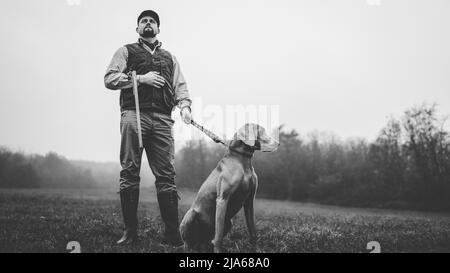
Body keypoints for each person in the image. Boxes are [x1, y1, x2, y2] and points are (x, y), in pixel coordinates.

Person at [104, 10, 192, 247]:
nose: (148, 23)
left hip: (163, 119)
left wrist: (185, 107)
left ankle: (172, 235)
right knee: (130, 171)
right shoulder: (126, 51)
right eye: (144, 21)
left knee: (167, 175)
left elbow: (180, 87)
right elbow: (110, 78)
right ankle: (130, 233)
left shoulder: (170, 57)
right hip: (134, 115)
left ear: (158, 29)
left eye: (152, 21)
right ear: (137, 28)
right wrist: (140, 79)